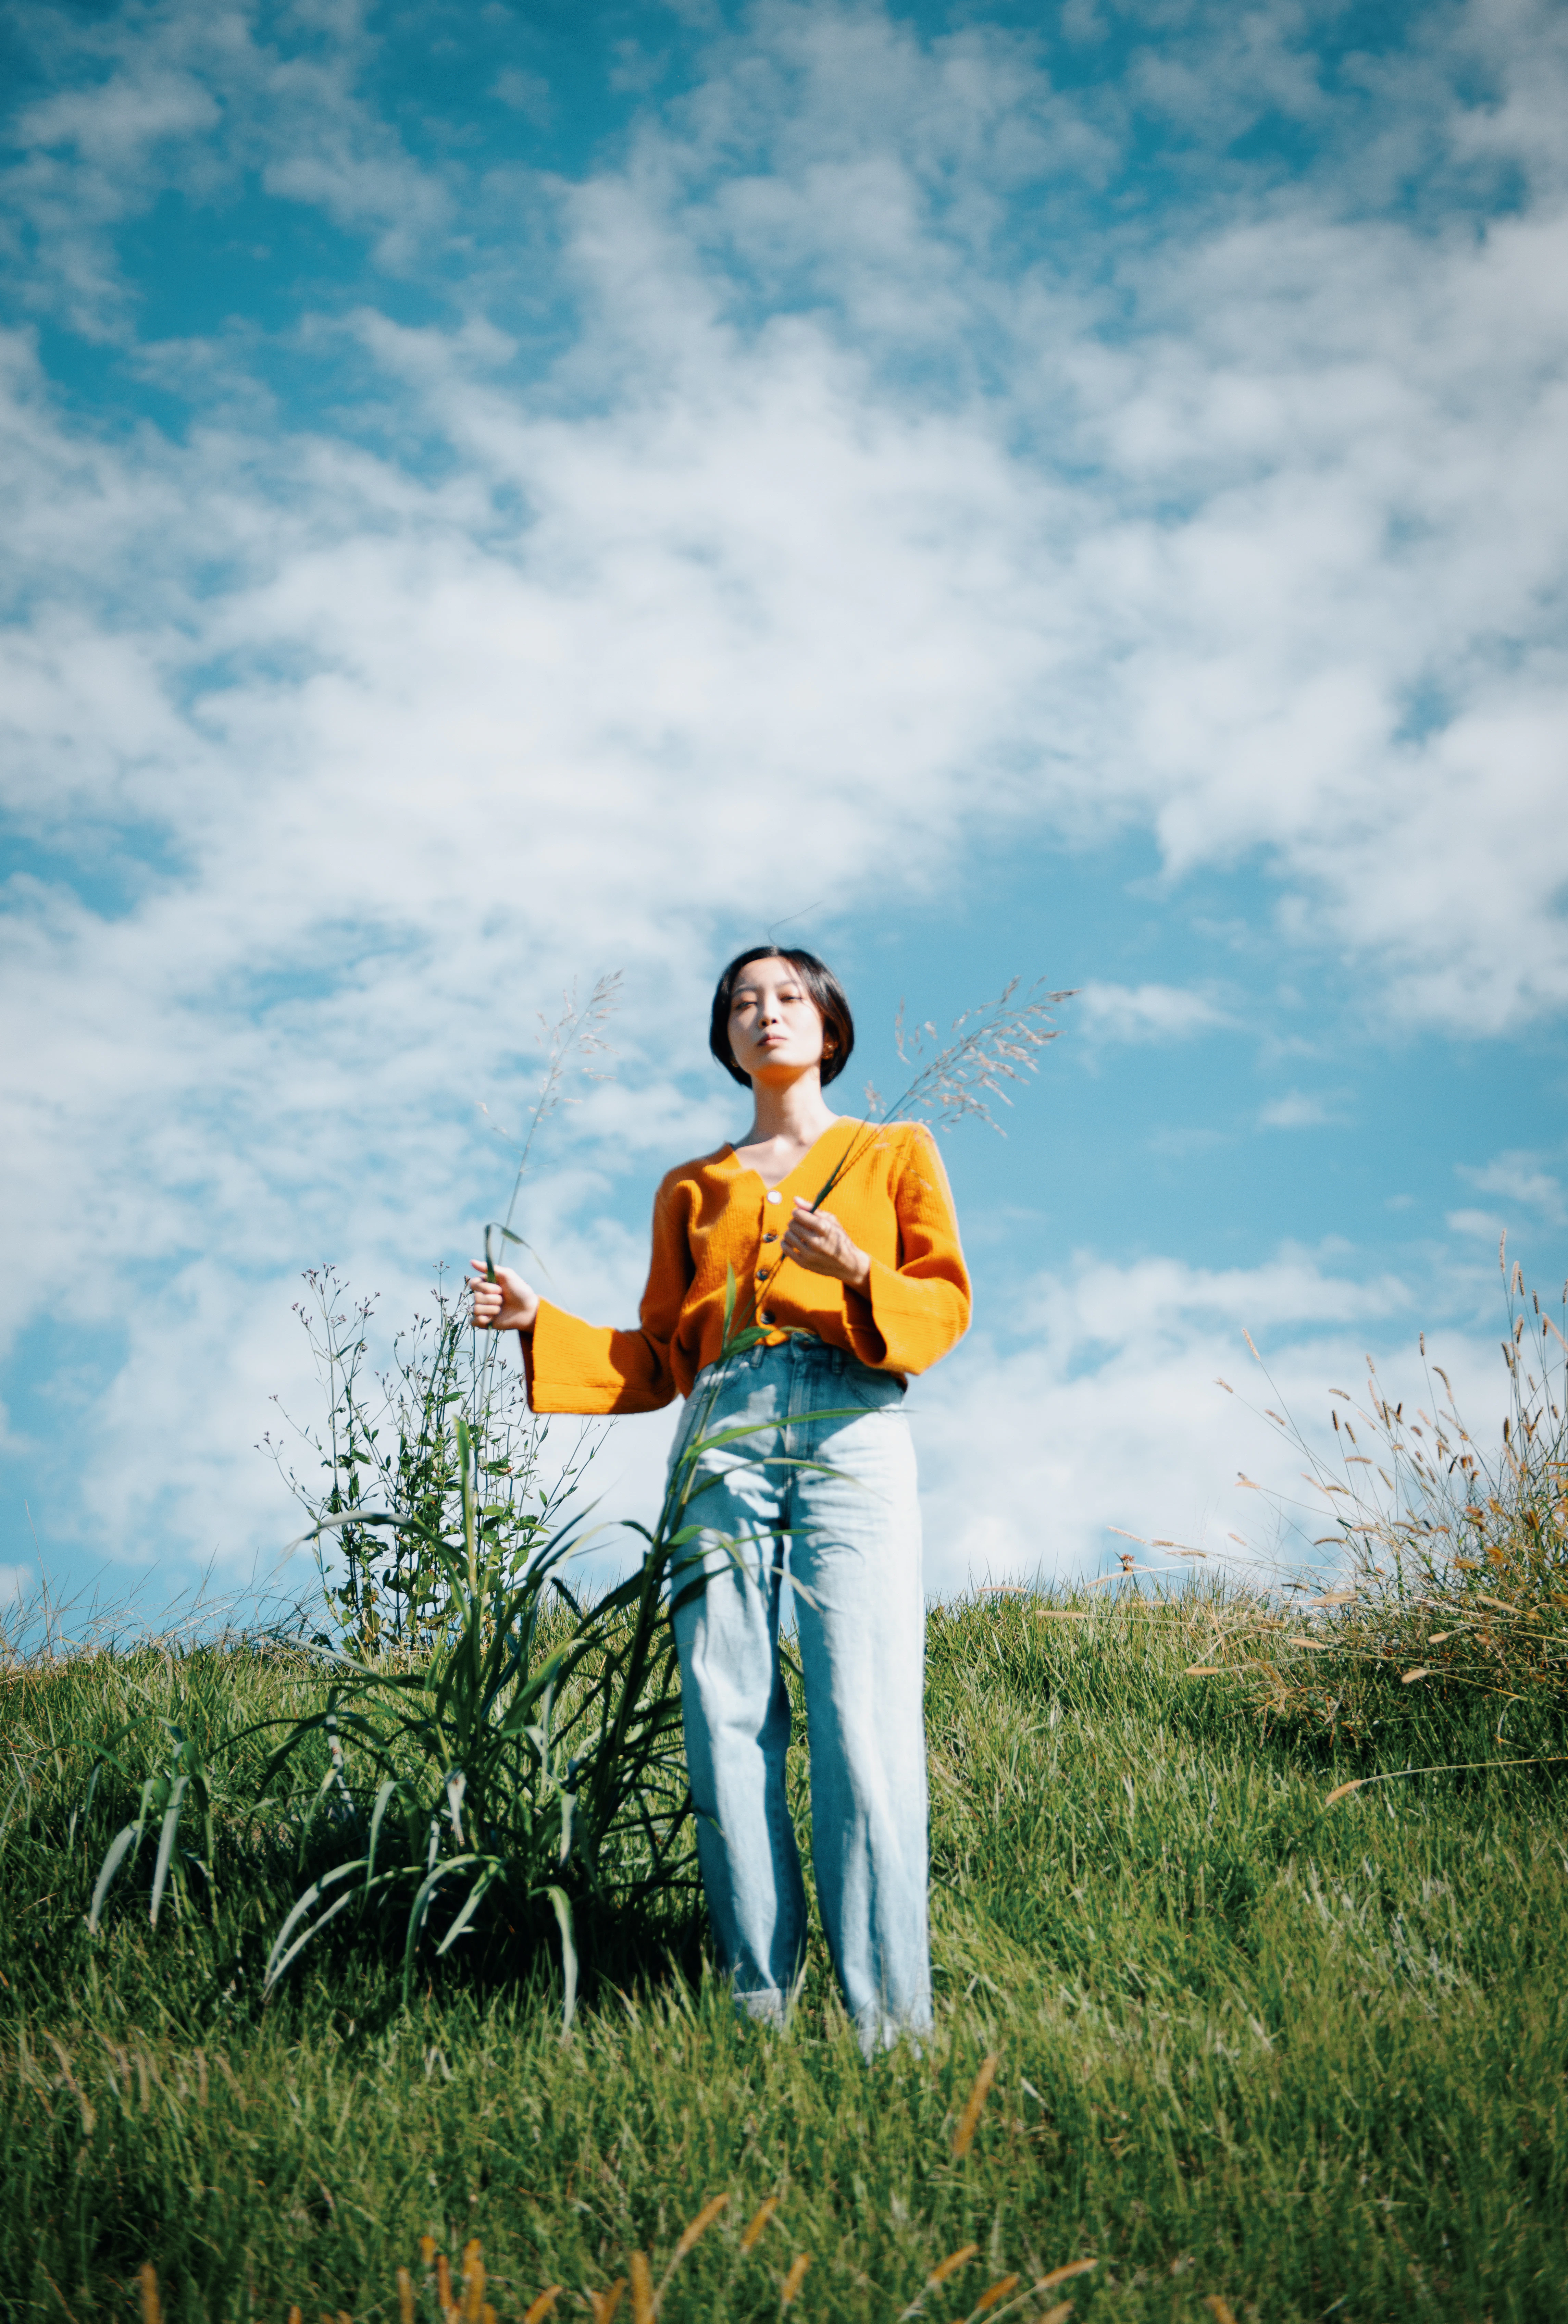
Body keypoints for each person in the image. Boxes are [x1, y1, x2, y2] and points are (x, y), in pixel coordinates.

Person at [469, 945, 970, 2049]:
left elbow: (942, 1306)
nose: (766, 1012)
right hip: (723, 1426)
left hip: (851, 1416)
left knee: (862, 1711)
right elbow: (658, 1358)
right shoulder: (689, 1188)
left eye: (788, 996)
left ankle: (890, 2022)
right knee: (725, 1711)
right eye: (744, 1002)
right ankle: (759, 2016)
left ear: (828, 1025)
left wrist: (854, 1275)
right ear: (726, 1039)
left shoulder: (894, 1152)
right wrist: (539, 1322)